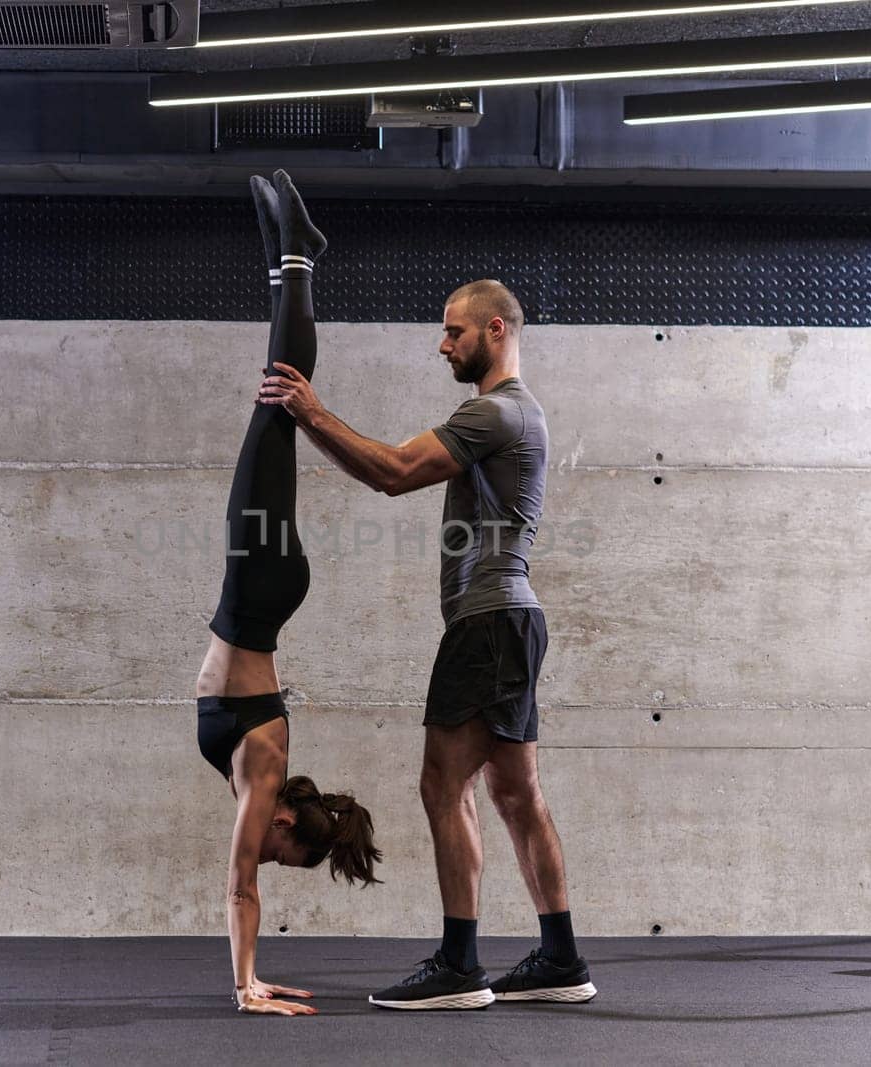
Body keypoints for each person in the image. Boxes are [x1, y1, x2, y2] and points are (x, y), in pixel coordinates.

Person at [258, 279, 595, 1010]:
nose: (443, 345)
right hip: (509, 621)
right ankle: (561, 957)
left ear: (496, 330)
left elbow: (394, 472)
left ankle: (458, 964)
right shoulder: (518, 412)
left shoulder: (493, 412)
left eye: (454, 332)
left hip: (488, 623)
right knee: (514, 791)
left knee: (444, 786)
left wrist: (309, 409)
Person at [196, 170, 382, 1017]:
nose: (265, 856)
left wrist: (252, 976)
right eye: (284, 855)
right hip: (261, 582)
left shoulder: (258, 781)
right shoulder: (263, 773)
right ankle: (299, 255)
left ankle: (287, 259)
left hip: (259, 589)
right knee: (278, 401)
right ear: (286, 829)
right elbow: (239, 886)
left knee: (273, 405)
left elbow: (246, 874)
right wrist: (245, 986)